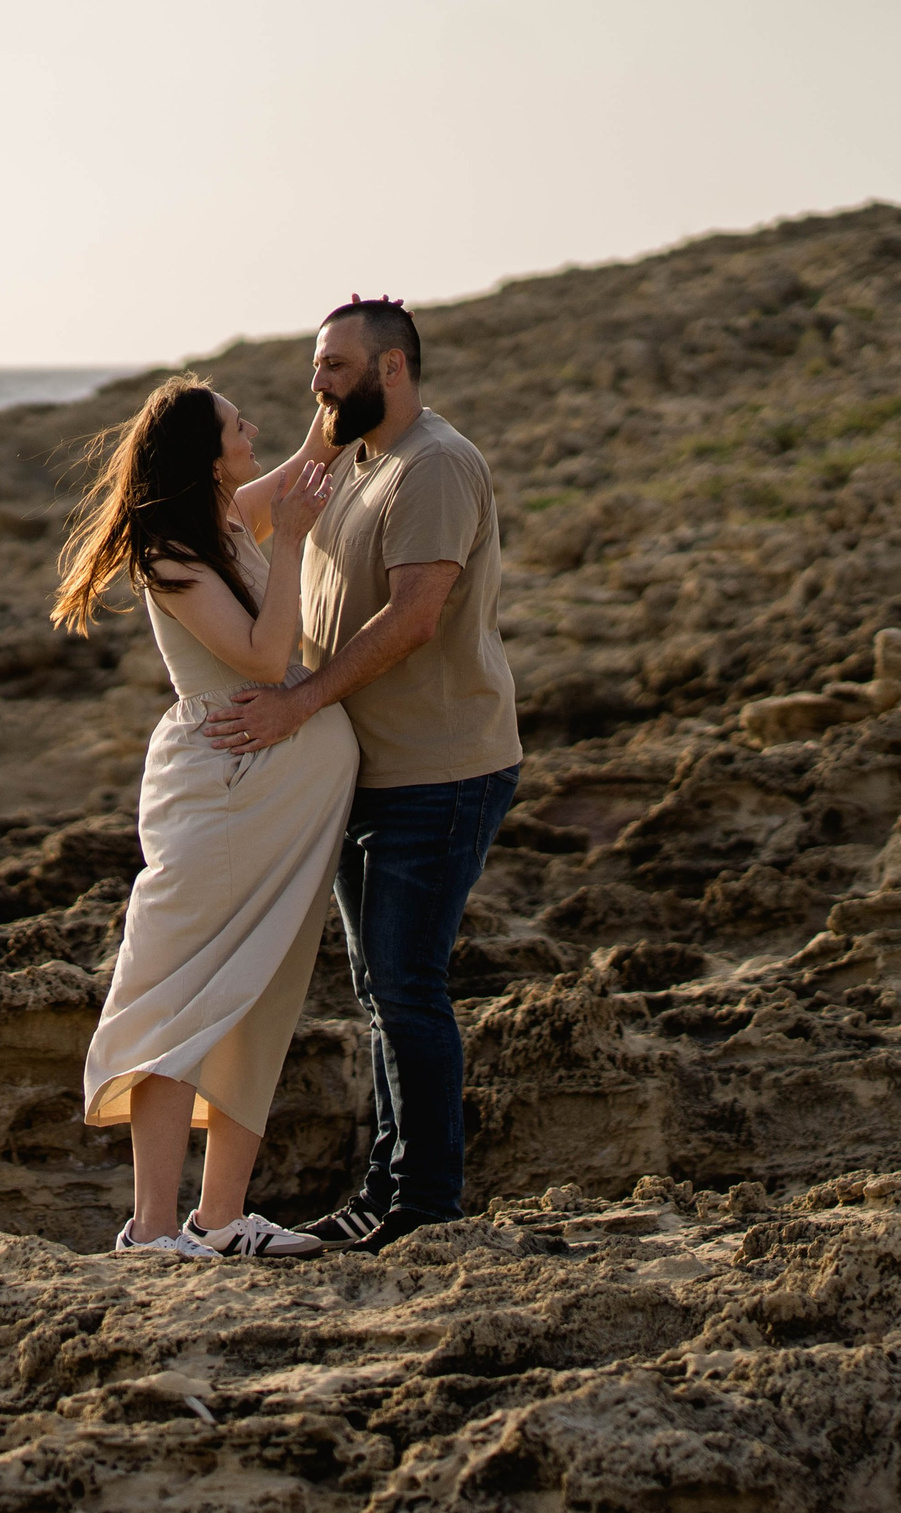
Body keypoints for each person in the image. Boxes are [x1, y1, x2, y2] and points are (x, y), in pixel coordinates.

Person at [204, 296, 522, 1253]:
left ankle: (422, 1205)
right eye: (314, 365)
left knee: (406, 986)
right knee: (380, 989)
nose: (318, 380)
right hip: (373, 774)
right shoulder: (352, 460)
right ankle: (385, 1196)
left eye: (335, 365)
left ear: (393, 369)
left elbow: (417, 616)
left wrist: (298, 706)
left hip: (442, 769)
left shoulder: (433, 465)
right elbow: (235, 522)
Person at [53, 374, 352, 1259]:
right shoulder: (171, 551)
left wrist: (339, 396)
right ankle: (149, 1228)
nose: (249, 429)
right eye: (233, 424)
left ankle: (220, 1219)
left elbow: (308, 460)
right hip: (222, 798)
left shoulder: (224, 520)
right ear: (203, 452)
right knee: (176, 992)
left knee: (260, 995)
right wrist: (294, 539)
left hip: (283, 811)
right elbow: (265, 658)